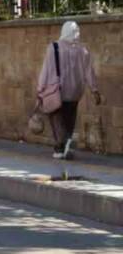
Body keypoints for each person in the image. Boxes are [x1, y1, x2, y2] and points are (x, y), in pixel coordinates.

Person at [37, 21, 101, 160]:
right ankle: (66, 144)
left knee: (56, 118)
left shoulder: (53, 48)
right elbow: (89, 72)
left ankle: (61, 146)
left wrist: (40, 90)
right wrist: (94, 90)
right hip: (75, 92)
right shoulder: (83, 50)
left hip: (57, 91)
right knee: (70, 118)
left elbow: (45, 71)